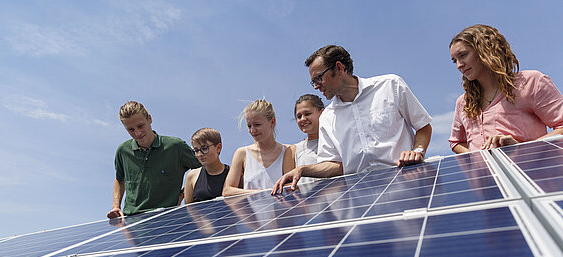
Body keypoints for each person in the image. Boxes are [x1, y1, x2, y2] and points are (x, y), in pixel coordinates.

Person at [272, 45, 432, 194]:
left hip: (406, 188)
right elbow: (335, 165)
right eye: (313, 81)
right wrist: (302, 170)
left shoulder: (390, 86)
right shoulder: (327, 117)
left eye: (318, 78)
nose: (316, 86)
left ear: (339, 68)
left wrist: (417, 151)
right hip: (362, 201)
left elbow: (423, 126)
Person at [449, 24, 563, 153]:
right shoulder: (463, 102)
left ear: (484, 50)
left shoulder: (531, 82)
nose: (459, 65)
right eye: (454, 61)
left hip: (530, 172)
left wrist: (522, 149)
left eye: (463, 55)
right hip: (485, 174)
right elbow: (456, 142)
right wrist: (480, 158)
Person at [107, 101, 200, 219]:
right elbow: (120, 179)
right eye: (131, 129)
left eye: (140, 126)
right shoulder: (123, 151)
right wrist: (116, 206)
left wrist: (183, 194)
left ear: (149, 119)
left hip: (168, 218)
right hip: (132, 221)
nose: (137, 133)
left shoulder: (176, 146)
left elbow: (201, 169)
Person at [223, 99, 295, 196]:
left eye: (257, 125)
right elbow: (227, 191)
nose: (253, 130)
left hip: (281, 210)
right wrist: (262, 194)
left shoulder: (288, 150)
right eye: (249, 126)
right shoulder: (242, 153)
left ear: (272, 122)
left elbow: (291, 188)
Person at [183, 128, 229, 204]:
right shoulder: (192, 176)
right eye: (196, 150)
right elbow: (189, 209)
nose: (199, 154)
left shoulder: (233, 174)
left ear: (218, 148)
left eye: (204, 148)